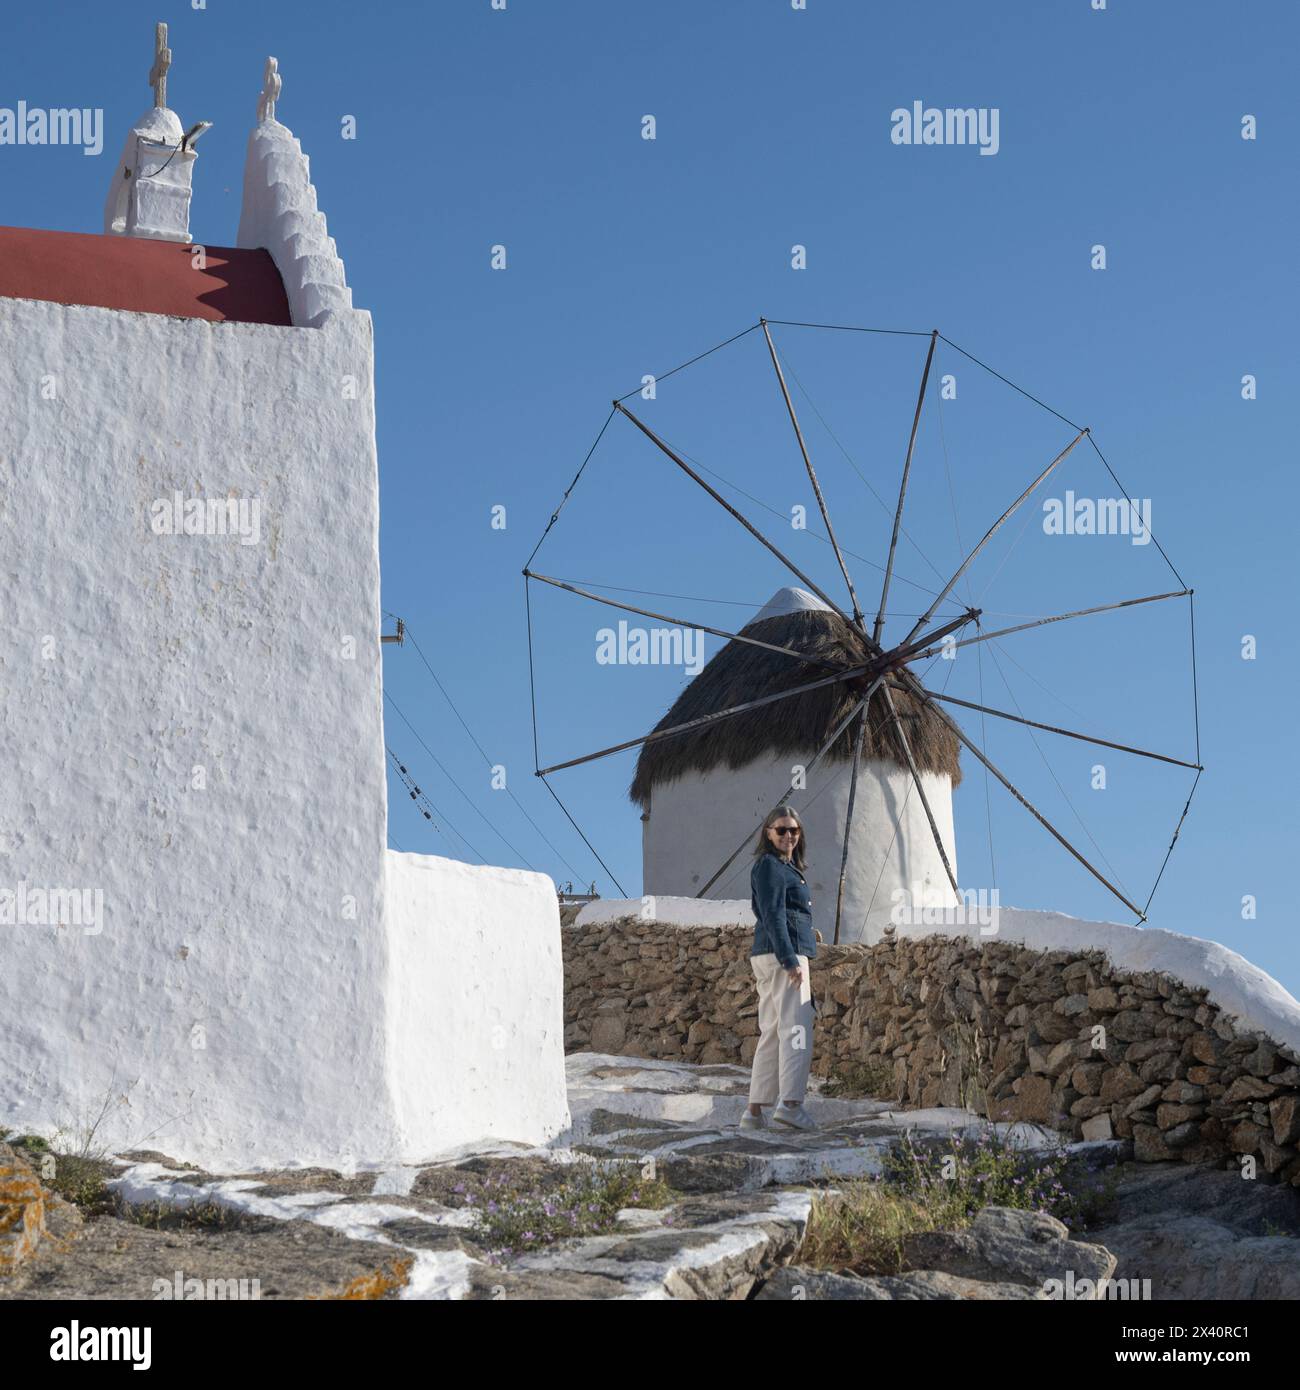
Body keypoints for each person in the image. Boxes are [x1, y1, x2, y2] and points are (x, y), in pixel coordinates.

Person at [741, 804, 818, 1132]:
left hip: (769, 952)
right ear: (768, 833)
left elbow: (773, 912)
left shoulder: (776, 866)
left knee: (772, 1031)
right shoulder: (771, 867)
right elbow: (772, 913)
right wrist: (790, 959)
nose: (788, 835)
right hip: (784, 954)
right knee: (797, 1030)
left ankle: (754, 1113)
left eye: (794, 831)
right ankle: (790, 1106)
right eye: (781, 830)